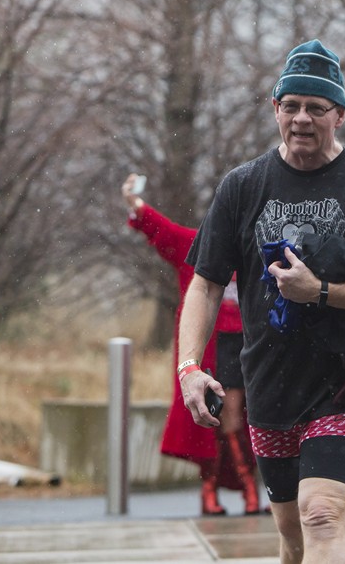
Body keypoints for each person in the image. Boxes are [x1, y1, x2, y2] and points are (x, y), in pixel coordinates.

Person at [176, 39, 345, 564]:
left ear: (340, 115)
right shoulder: (243, 186)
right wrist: (189, 367)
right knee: (292, 535)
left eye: (316, 108)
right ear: (275, 109)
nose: (302, 118)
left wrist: (325, 293)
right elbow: (205, 283)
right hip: (271, 379)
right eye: (290, 105)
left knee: (322, 514)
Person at [121, 176, 262, 516]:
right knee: (210, 417)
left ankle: (248, 490)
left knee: (236, 417)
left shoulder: (258, 249)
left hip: (245, 347)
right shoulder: (196, 244)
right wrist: (134, 202)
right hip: (209, 348)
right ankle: (213, 491)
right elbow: (161, 230)